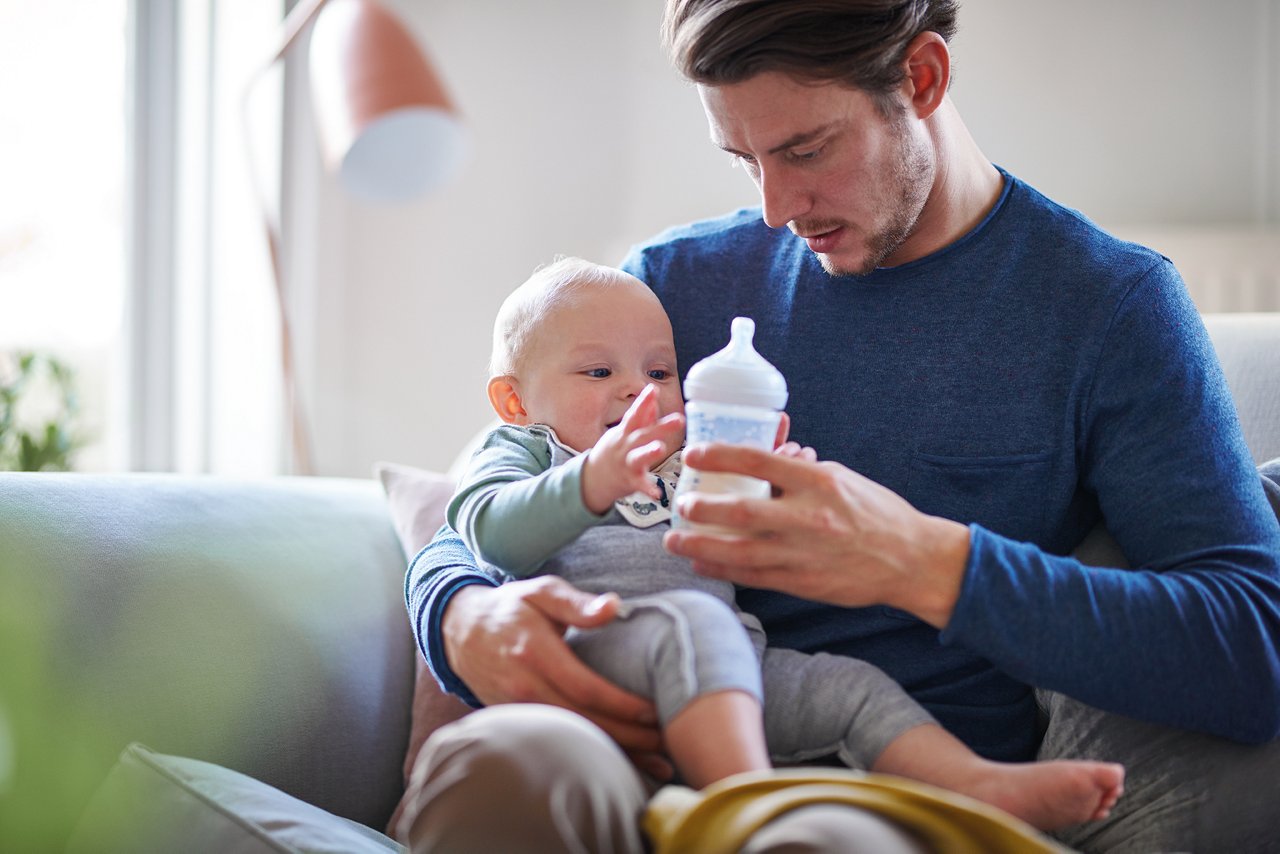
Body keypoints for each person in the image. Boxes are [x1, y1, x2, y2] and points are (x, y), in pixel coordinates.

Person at [402, 1, 1280, 851]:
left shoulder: (1104, 309)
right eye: (744, 159)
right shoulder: (675, 285)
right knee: (504, 766)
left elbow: (1249, 644)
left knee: (814, 839)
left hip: (888, 783)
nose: (779, 208)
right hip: (635, 743)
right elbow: (498, 471)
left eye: (806, 149)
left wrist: (919, 560)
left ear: (923, 76)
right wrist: (455, 613)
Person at [442, 254, 1123, 828]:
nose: (636, 394)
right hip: (597, 658)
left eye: (658, 374)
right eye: (599, 374)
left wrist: (770, 485)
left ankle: (977, 786)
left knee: (849, 687)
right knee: (695, 624)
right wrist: (590, 480)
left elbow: (732, 535)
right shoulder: (527, 449)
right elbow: (490, 534)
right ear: (514, 400)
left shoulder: (679, 460)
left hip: (735, 668)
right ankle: (748, 813)